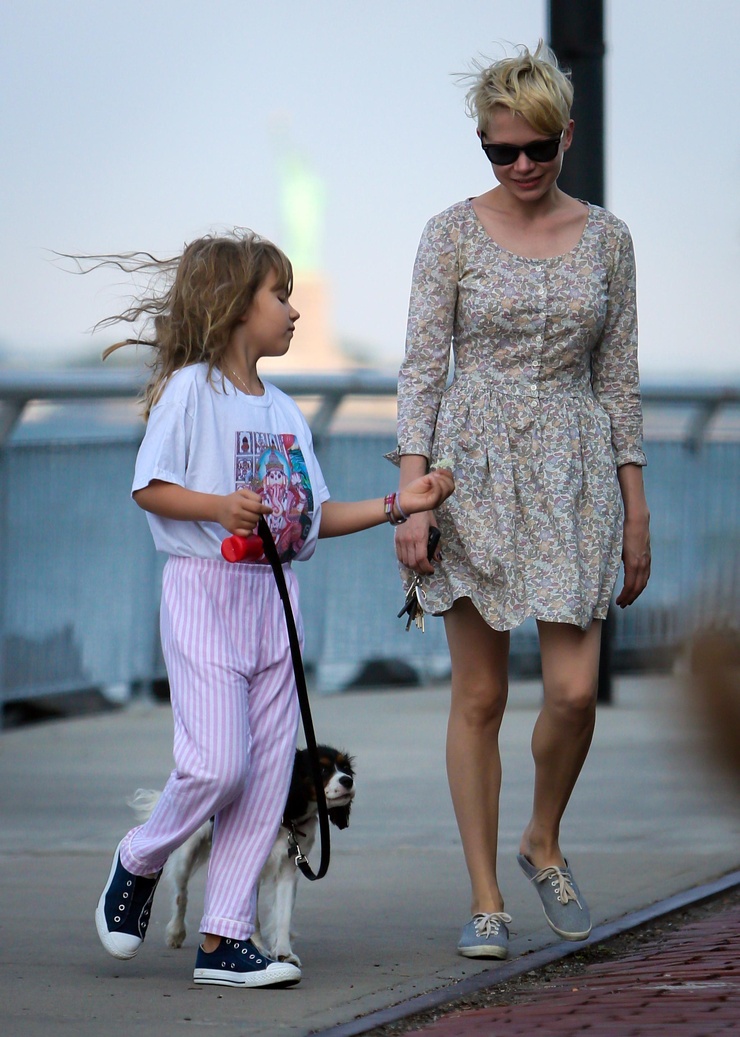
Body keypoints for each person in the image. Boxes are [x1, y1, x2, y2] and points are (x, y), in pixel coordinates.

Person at [92, 230, 454, 989]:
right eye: (279, 296)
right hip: (204, 594)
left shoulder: (286, 411)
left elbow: (313, 515)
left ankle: (225, 939)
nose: (293, 311)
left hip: (276, 602)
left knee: (263, 779)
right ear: (234, 306)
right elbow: (149, 486)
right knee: (215, 764)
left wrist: (399, 503)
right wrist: (218, 506)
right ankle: (142, 855)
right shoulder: (190, 391)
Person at [392, 42, 651, 960]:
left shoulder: (609, 239)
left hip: (576, 473)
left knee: (574, 692)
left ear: (566, 136)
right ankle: (486, 897)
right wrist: (413, 500)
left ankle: (542, 838)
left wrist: (636, 509)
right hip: (473, 472)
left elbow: (618, 380)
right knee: (481, 693)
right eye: (500, 151)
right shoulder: (450, 234)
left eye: (537, 147)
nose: (521, 165)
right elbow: (421, 371)